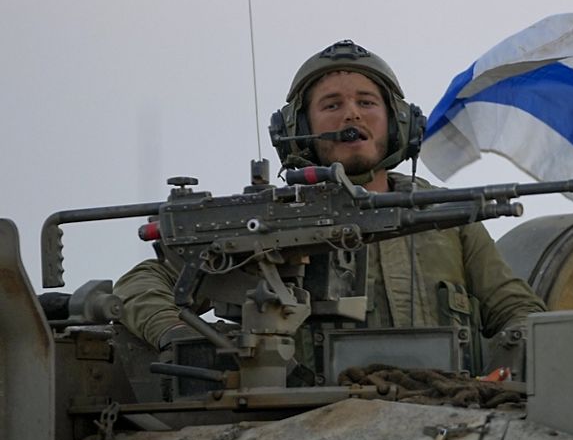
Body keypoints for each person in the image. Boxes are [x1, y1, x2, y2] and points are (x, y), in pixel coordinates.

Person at [115, 40, 545, 373]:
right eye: (332, 105)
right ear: (299, 129)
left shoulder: (447, 218)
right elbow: (144, 282)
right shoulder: (267, 219)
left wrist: (508, 368)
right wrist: (176, 333)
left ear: (397, 124)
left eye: (366, 102)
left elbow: (518, 311)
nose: (351, 116)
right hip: (311, 427)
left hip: (452, 421)